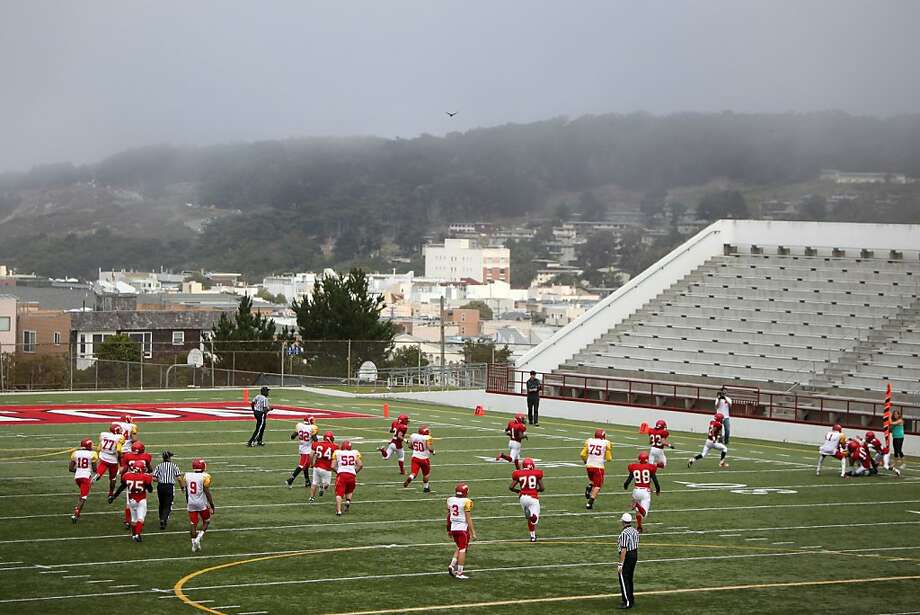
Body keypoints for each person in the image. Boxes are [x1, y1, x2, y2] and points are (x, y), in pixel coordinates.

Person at [108, 459, 153, 542]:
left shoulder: (127, 475)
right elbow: (150, 490)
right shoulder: (146, 476)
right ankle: (137, 534)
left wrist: (114, 496)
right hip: (141, 499)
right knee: (140, 518)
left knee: (133, 519)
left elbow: (121, 487)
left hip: (131, 500)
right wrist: (147, 484)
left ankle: (133, 535)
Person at [179, 458, 215, 552]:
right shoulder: (205, 476)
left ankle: (193, 544)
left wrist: (188, 500)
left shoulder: (187, 475)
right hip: (201, 503)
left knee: (193, 524)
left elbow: (185, 489)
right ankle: (199, 538)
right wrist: (212, 505)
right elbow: (207, 492)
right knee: (207, 521)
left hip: (191, 502)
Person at [623, 452, 660, 533]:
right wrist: (658, 490)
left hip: (636, 491)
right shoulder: (651, 467)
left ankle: (639, 526)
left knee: (638, 511)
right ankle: (636, 505)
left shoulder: (634, 467)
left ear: (639, 459)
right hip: (645, 492)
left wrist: (625, 486)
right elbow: (655, 481)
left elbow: (628, 480)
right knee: (644, 513)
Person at [446, 482, 476, 580]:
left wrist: (448, 529)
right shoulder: (467, 501)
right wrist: (473, 532)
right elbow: (468, 518)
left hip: (454, 528)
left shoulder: (450, 500)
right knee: (463, 549)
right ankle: (459, 573)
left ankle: (452, 565)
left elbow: (448, 516)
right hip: (462, 529)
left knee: (459, 547)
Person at [510, 457, 544, 542]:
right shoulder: (536, 473)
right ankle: (533, 516)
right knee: (534, 519)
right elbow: (542, 488)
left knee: (529, 519)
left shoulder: (518, 473)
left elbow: (511, 487)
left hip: (523, 498)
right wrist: (536, 490)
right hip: (533, 497)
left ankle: (532, 536)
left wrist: (518, 491)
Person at [120, 441, 152, 530]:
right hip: (142, 479)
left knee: (129, 502)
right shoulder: (146, 456)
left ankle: (128, 521)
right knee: (141, 500)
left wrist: (123, 478)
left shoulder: (127, 456)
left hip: (130, 478)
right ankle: (139, 520)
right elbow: (149, 468)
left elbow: (125, 468)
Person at [581, 428, 613, 510]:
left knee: (592, 480)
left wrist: (585, 461)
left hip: (589, 466)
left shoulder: (589, 441)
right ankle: (590, 503)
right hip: (598, 466)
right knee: (598, 486)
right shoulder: (606, 442)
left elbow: (582, 454)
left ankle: (589, 487)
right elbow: (609, 458)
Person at [91, 423, 125, 497]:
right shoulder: (120, 437)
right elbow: (119, 450)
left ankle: (96, 477)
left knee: (100, 471)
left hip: (103, 456)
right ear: (116, 430)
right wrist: (120, 457)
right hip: (113, 459)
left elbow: (99, 448)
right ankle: (110, 493)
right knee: (113, 478)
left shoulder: (104, 434)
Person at [69, 438, 98, 523]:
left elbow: (70, 468)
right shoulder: (93, 454)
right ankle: (76, 514)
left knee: (82, 494)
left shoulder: (75, 453)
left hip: (77, 477)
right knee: (84, 497)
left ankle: (77, 509)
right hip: (85, 477)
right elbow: (94, 469)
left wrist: (79, 470)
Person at [332, 440, 363, 516]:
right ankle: (348, 501)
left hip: (342, 475)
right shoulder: (355, 452)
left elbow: (332, 466)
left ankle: (338, 511)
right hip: (352, 475)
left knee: (339, 493)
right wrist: (355, 472)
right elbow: (360, 465)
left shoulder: (337, 452)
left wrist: (337, 471)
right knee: (349, 490)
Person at [286, 415, 318, 487]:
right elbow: (315, 439)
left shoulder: (300, 426)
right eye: (312, 420)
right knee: (302, 465)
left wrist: (295, 437)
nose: (313, 421)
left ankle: (307, 481)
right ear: (309, 421)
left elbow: (293, 436)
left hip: (301, 447)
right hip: (307, 450)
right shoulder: (311, 428)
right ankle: (291, 479)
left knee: (305, 465)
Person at [617, 512, 640, 609]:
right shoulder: (634, 531)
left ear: (623, 522)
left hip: (628, 556)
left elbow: (623, 549)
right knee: (629, 578)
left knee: (623, 577)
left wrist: (621, 563)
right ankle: (631, 599)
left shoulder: (624, 533)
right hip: (635, 554)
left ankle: (627, 602)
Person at [153, 450, 180, 529]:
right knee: (168, 504)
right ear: (169, 457)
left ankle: (161, 518)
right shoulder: (174, 465)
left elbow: (154, 478)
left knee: (161, 503)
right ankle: (163, 519)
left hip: (160, 486)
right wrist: (182, 487)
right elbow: (179, 478)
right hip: (169, 486)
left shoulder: (159, 466)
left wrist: (161, 480)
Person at [403, 424, 435, 492]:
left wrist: (415, 448)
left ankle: (410, 477)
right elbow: (429, 448)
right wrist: (433, 451)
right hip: (424, 459)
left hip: (415, 458)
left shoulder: (414, 436)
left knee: (414, 473)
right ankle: (426, 488)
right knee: (426, 474)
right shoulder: (427, 438)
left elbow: (410, 446)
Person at [310, 431, 337, 502]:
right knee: (327, 485)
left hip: (317, 466)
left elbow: (311, 455)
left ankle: (311, 498)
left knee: (314, 482)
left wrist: (311, 464)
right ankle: (322, 487)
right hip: (327, 468)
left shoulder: (316, 444)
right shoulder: (335, 446)